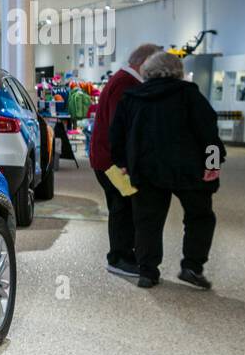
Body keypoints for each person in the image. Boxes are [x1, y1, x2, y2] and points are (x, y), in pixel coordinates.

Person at [109, 51, 225, 289]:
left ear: (147, 71)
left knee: (147, 221)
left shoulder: (132, 97)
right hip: (189, 170)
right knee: (200, 216)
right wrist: (212, 165)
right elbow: (209, 134)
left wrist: (123, 164)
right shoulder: (190, 95)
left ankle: (147, 271)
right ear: (178, 71)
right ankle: (192, 266)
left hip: (146, 169)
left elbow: (116, 135)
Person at [89, 43, 162, 277]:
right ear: (144, 63)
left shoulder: (126, 82)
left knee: (125, 206)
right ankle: (118, 257)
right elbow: (119, 127)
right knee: (123, 206)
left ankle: (123, 254)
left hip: (112, 159)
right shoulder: (124, 83)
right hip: (112, 162)